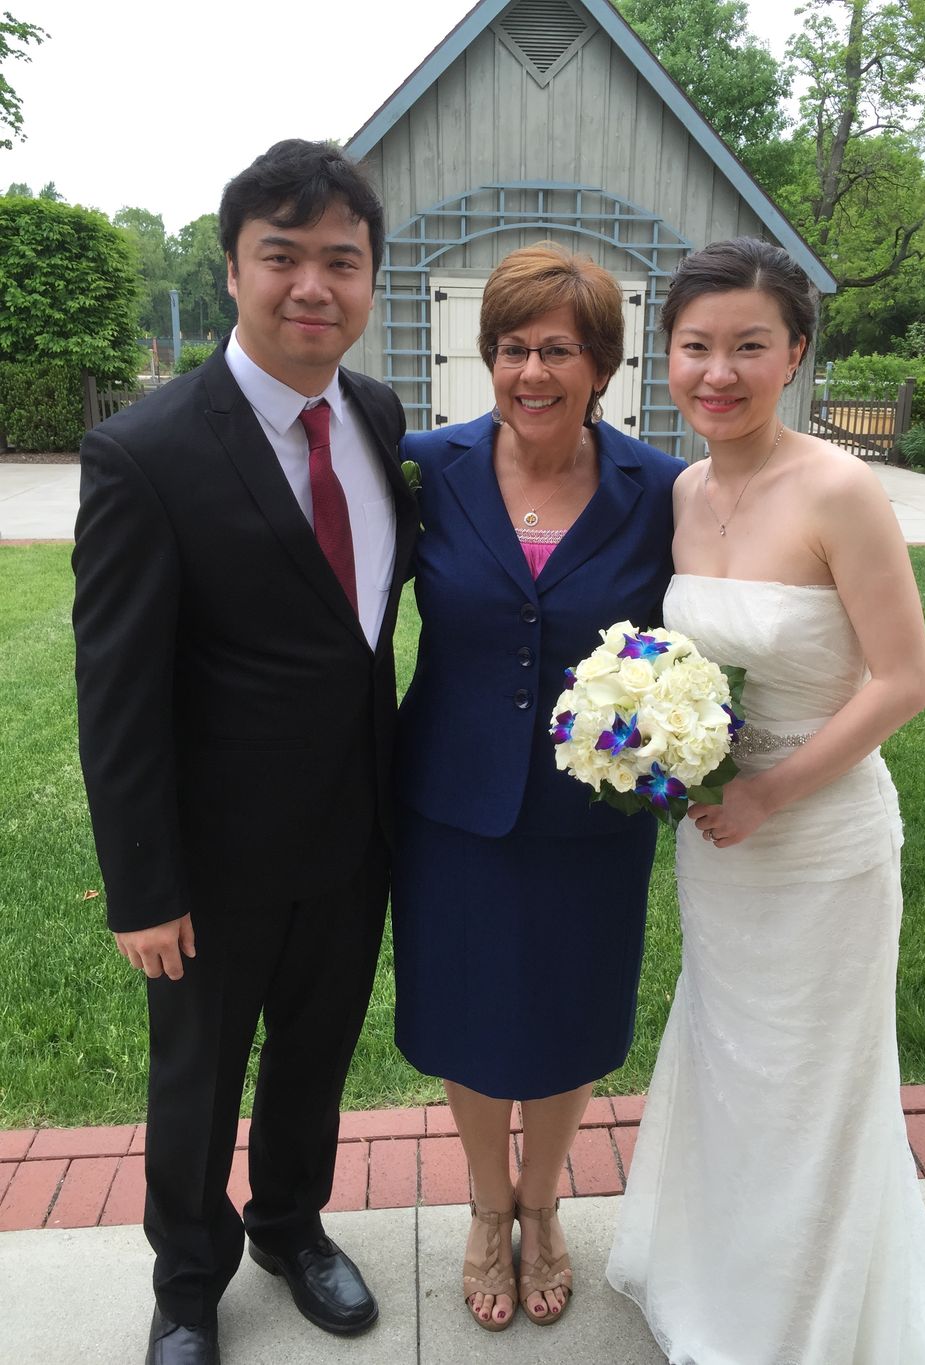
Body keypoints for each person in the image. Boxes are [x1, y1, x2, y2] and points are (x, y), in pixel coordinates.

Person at [606, 237, 925, 1363]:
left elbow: (904, 681)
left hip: (819, 839)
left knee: (810, 1085)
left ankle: (800, 1326)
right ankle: (719, 1286)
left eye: (748, 346)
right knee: (731, 1068)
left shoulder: (839, 488)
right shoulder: (681, 490)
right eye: (694, 347)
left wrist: (771, 792)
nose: (716, 371)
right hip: (717, 842)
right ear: (665, 358)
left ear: (796, 356)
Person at [73, 140, 418, 1365]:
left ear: (371, 279)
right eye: (283, 256)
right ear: (232, 271)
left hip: (354, 836)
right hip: (211, 866)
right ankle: (185, 1286)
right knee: (196, 1086)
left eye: (342, 260)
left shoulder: (378, 421)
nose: (312, 285)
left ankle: (290, 1226)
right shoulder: (146, 453)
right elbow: (115, 695)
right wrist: (144, 888)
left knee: (314, 1062)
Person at [390, 242, 680, 1331]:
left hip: (594, 813)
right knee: (467, 1011)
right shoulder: (425, 466)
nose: (529, 373)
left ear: (600, 364)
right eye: (510, 348)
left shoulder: (659, 489)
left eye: (555, 348)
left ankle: (544, 1206)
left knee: (568, 1009)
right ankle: (481, 1205)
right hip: (450, 800)